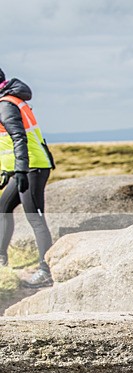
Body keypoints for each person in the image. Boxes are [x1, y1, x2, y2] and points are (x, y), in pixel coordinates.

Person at [0, 68, 55, 288]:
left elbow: (19, 138)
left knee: (35, 218)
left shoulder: (5, 104)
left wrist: (20, 171)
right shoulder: (8, 100)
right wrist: (8, 170)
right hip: (24, 167)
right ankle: (1, 262)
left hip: (32, 168)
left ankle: (45, 271)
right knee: (3, 208)